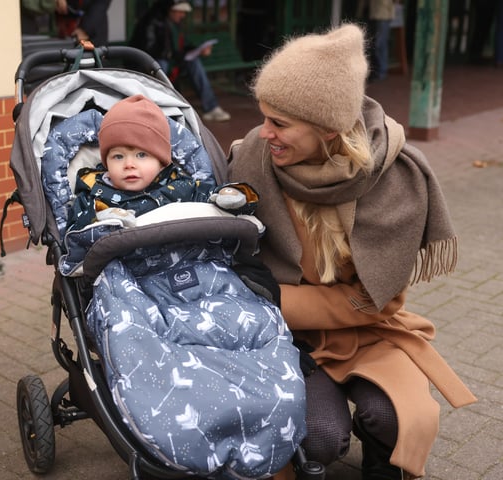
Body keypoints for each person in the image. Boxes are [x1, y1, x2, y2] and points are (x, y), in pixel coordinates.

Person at [227, 24, 476, 479]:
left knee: (396, 419)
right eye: (264, 117)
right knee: (319, 439)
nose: (264, 133)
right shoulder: (250, 161)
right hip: (286, 338)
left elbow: (379, 300)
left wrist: (276, 298)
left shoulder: (396, 180)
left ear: (327, 129)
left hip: (367, 330)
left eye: (279, 123)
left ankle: (382, 458)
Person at [67, 94, 254, 234]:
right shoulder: (96, 194)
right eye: (118, 157)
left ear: (161, 161)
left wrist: (231, 195)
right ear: (106, 162)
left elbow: (212, 201)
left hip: (186, 256)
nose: (129, 164)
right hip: (127, 263)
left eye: (141, 155)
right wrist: (101, 219)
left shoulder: (181, 186)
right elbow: (73, 232)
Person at [129, 0, 232, 122]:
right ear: (171, 10)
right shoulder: (152, 22)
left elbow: (182, 45)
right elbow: (149, 51)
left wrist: (198, 50)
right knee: (161, 65)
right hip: (149, 64)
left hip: (172, 61)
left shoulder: (175, 24)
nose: (183, 15)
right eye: (180, 11)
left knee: (194, 63)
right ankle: (162, 107)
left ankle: (211, 107)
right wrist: (176, 55)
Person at [357, 0, 396, 81]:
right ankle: (376, 71)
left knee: (380, 44)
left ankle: (381, 71)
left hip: (383, 13)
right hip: (370, 12)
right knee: (372, 43)